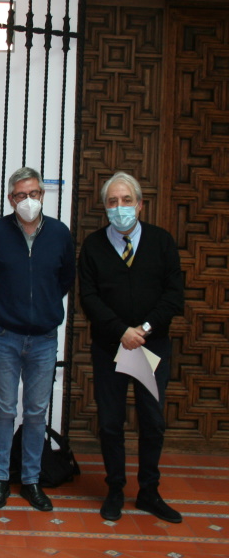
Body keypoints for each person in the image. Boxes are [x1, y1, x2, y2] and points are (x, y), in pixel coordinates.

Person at [0, 166, 75, 512]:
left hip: (44, 339)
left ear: (42, 195)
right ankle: (0, 478)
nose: (27, 201)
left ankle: (31, 479)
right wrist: (3, 303)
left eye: (33, 194)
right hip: (4, 337)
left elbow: (65, 280)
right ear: (10, 198)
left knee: (36, 412)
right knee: (3, 409)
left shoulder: (59, 233)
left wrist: (40, 306)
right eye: (20, 195)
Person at [79, 171, 184, 523]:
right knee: (110, 422)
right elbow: (89, 298)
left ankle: (149, 492)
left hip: (151, 347)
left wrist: (144, 329)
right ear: (105, 207)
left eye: (126, 201)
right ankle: (115, 489)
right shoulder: (93, 246)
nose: (120, 207)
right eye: (112, 202)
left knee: (152, 422)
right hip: (110, 347)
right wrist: (122, 330)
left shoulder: (162, 242)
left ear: (140, 204)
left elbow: (173, 295)